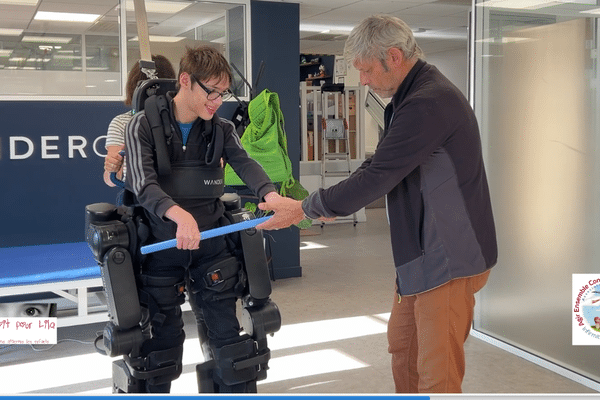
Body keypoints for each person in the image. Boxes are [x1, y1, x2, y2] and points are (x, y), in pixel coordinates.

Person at [256, 14, 497, 394]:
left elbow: (376, 178)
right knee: (403, 350)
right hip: (419, 256)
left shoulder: (428, 102)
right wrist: (312, 204)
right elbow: (377, 165)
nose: (363, 80)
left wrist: (303, 209)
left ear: (395, 57)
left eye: (367, 70)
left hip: (448, 257)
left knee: (438, 375)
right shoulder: (406, 100)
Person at [124, 45, 281, 393]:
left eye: (222, 94)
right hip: (160, 246)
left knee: (228, 339)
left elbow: (244, 163)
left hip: (211, 246)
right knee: (162, 348)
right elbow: (141, 183)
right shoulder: (141, 126)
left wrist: (270, 195)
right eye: (211, 91)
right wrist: (179, 215)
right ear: (185, 81)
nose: (217, 101)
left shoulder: (221, 128)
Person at [103, 54, 176, 188]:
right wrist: (112, 167)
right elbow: (110, 180)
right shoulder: (121, 123)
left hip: (176, 192)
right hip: (136, 194)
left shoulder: (181, 119)